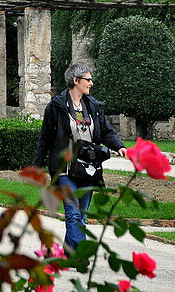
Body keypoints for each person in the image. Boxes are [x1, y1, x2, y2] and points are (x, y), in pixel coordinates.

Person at [32, 62, 128, 251]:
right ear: (75, 81)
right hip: (64, 170)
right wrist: (37, 168)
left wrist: (120, 147)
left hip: (88, 169)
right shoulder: (56, 107)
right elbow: (45, 139)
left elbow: (107, 132)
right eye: (88, 79)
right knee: (73, 214)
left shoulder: (93, 106)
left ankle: (68, 254)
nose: (91, 83)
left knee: (81, 215)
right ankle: (80, 254)